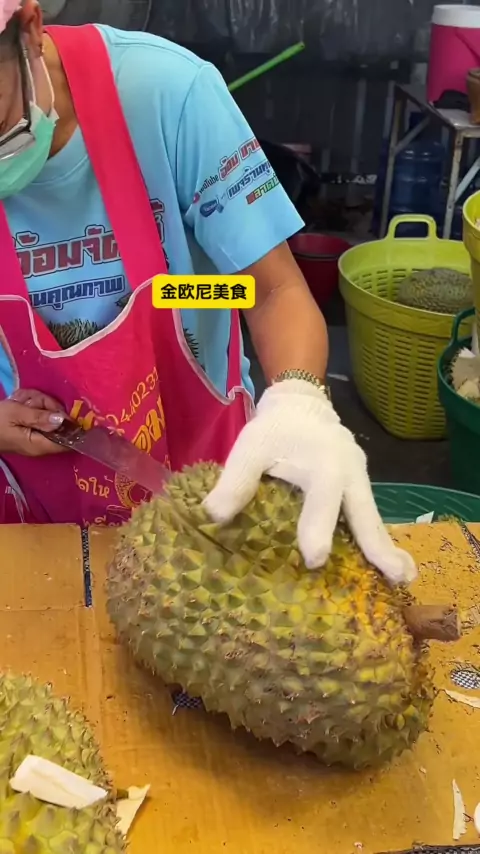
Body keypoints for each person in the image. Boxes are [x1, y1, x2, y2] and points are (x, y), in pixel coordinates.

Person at [0, 0, 416, 585]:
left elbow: (270, 292)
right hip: (31, 512)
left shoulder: (169, 94)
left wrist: (298, 398)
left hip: (211, 501)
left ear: (29, 30)